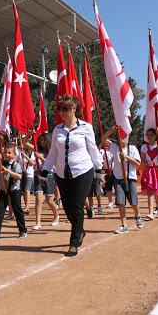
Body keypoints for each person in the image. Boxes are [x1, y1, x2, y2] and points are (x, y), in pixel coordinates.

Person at [41, 96, 103, 256]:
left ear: (74, 109)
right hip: (61, 172)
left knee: (76, 206)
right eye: (60, 109)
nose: (61, 112)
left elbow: (93, 149)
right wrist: (44, 171)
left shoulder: (86, 128)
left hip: (83, 170)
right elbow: (53, 152)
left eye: (65, 109)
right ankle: (80, 230)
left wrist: (99, 170)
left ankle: (74, 242)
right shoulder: (57, 130)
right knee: (67, 207)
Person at [101, 126, 144, 234]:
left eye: (125, 138)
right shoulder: (114, 147)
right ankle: (123, 225)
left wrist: (126, 157)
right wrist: (111, 130)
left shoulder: (132, 149)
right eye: (121, 138)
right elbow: (103, 139)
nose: (123, 141)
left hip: (130, 178)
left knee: (133, 202)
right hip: (119, 178)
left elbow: (137, 163)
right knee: (121, 203)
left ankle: (137, 215)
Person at [0, 143, 27, 241]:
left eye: (9, 153)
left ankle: (22, 230)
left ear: (14, 154)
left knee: (18, 211)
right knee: (0, 212)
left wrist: (8, 172)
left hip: (14, 190)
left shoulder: (16, 165)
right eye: (5, 153)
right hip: (3, 191)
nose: (7, 155)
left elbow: (19, 176)